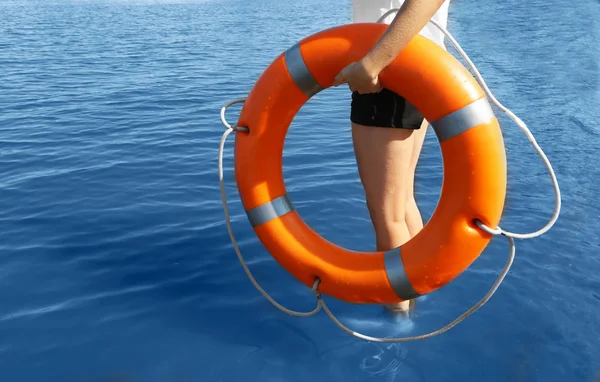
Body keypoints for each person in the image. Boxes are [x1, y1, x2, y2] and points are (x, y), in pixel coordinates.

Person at [333, 0, 451, 315]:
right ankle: (418, 302)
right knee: (401, 204)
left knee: (388, 216)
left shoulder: (381, 64)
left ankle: (398, 326)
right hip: (414, 64)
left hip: (387, 71)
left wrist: (373, 62)